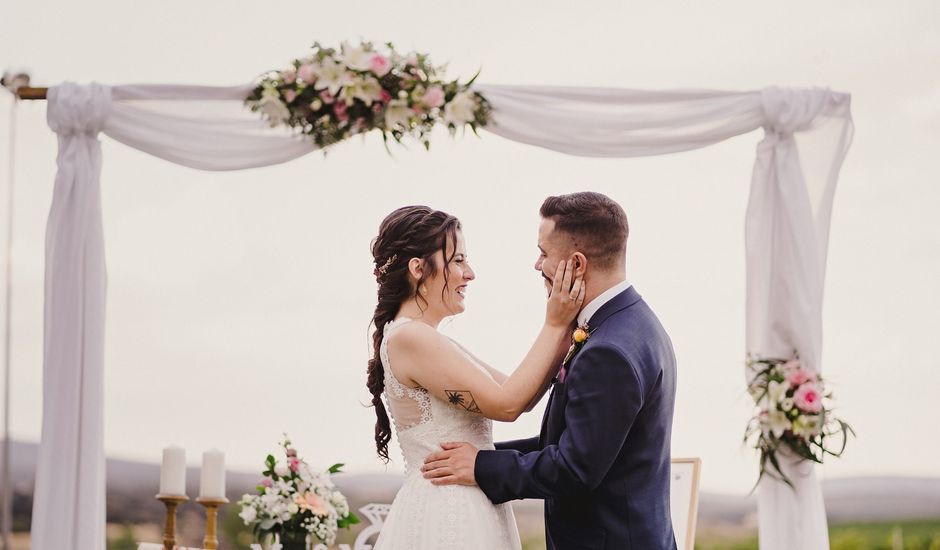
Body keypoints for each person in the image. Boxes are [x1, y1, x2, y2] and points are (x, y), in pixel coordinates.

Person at [422, 192, 679, 550]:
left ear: (576, 264)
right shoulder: (632, 323)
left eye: (543, 253)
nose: (536, 264)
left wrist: (481, 466)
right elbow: (571, 443)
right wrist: (477, 452)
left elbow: (574, 469)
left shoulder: (608, 350)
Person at [367, 205, 584, 550]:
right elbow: (508, 404)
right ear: (418, 268)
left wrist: (571, 331)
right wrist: (555, 323)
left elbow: (519, 392)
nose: (469, 274)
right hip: (447, 514)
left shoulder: (432, 340)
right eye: (458, 260)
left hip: (469, 504)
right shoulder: (411, 338)